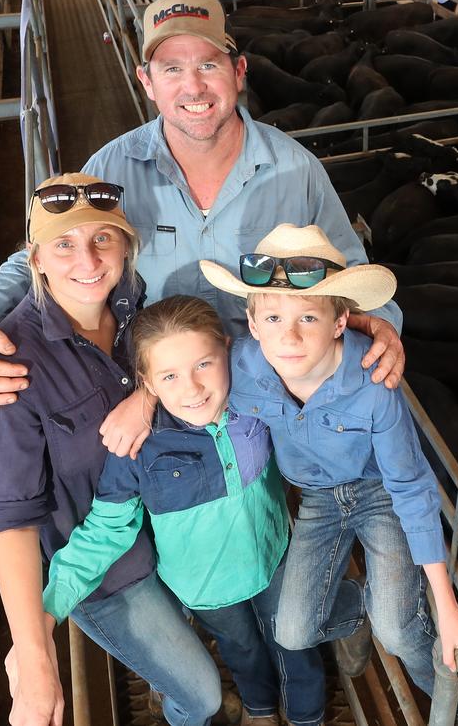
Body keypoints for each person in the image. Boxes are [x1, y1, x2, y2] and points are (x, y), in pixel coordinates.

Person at [0, 0, 404, 450]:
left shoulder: (296, 169)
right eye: (172, 69)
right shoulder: (110, 170)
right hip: (158, 404)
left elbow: (348, 268)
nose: (194, 87)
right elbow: (45, 256)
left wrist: (379, 321)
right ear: (147, 81)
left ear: (238, 72)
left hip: (276, 399)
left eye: (208, 65)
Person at [0, 173, 226, 726]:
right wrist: (33, 654)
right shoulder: (7, 368)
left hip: (174, 516)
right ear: (34, 258)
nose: (87, 259)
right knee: (202, 695)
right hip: (106, 564)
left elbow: (173, 368)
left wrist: (147, 394)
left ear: (126, 245)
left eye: (103, 238)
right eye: (64, 244)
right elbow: (13, 519)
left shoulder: (135, 306)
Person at [200, 224, 458, 722]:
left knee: (399, 631)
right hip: (316, 499)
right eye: (272, 315)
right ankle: (361, 611)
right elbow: (190, 387)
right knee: (292, 631)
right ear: (252, 320)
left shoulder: (376, 383)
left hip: (379, 493)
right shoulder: (243, 365)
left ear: (341, 322)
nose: (288, 336)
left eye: (308, 316)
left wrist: (446, 603)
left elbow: (411, 487)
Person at [43, 295, 328, 726]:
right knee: (241, 648)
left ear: (228, 351)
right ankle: (262, 708)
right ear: (147, 383)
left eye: (203, 364)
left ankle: (308, 716)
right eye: (170, 375)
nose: (191, 388)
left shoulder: (255, 402)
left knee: (295, 639)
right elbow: (107, 529)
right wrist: (46, 611)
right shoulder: (136, 447)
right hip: (205, 587)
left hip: (273, 555)